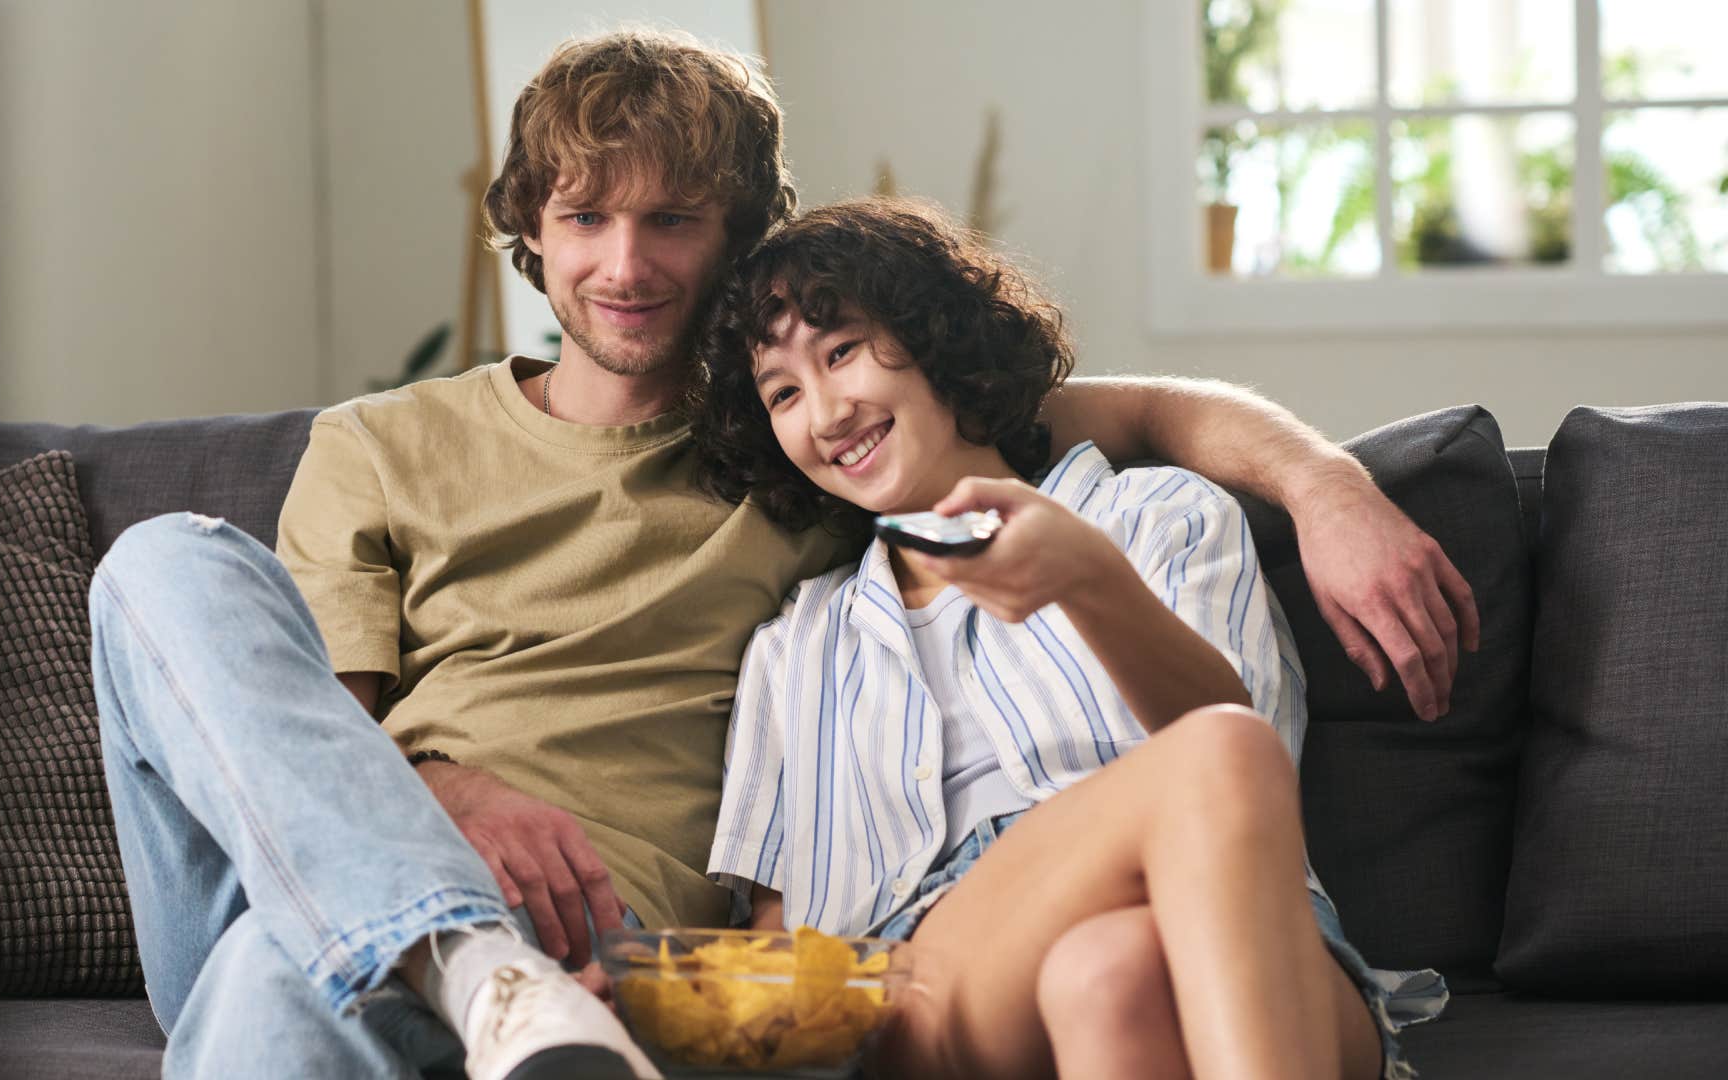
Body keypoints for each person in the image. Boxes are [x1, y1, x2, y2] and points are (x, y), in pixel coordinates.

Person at [90, 28, 1471, 1080]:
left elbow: (1072, 416)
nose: (623, 262)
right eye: (582, 215)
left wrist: (1324, 483)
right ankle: (462, 958)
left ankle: (470, 973)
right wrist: (441, 791)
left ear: (739, 238)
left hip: (593, 960)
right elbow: (290, 737)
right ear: (528, 229)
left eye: (672, 218)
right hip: (352, 886)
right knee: (161, 563)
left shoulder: (794, 472)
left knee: (285, 974)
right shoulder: (378, 446)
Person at [694, 197, 1448, 1080]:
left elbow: (1250, 792)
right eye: (783, 392)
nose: (825, 412)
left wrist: (1091, 578)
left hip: (1245, 949)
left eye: (841, 351)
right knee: (1218, 749)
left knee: (1110, 972)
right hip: (922, 978)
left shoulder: (1159, 514)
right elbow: (774, 935)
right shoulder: (798, 644)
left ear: (931, 335)